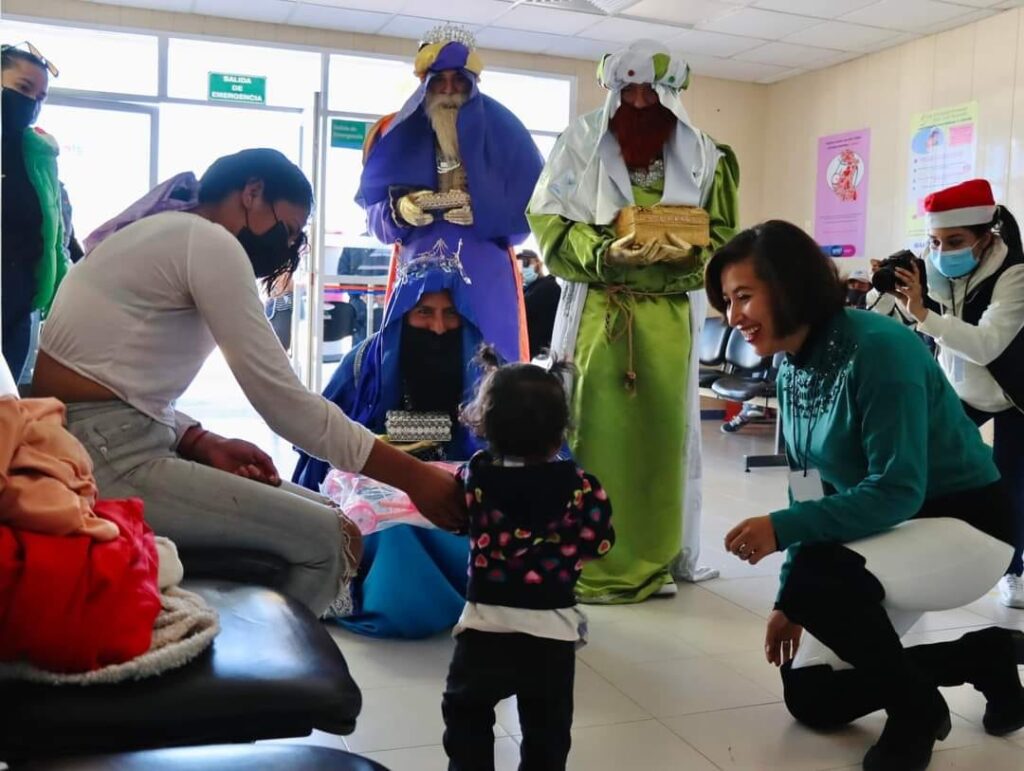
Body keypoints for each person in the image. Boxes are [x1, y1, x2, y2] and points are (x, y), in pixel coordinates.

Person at [30, 148, 464, 619]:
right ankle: (264, 676)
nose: (290, 246)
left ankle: (262, 658)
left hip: (96, 440)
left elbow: (108, 376)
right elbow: (282, 402)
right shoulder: (208, 241)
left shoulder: (165, 231)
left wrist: (198, 438)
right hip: (101, 455)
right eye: (289, 229)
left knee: (335, 519)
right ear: (252, 193)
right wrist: (414, 477)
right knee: (330, 540)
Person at [707, 219, 1021, 771]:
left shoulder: (879, 349)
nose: (733, 318)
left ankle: (916, 713)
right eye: (728, 302)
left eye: (743, 297)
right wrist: (789, 597)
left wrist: (783, 535)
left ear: (789, 286)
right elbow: (806, 488)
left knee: (823, 580)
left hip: (966, 530)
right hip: (888, 537)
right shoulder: (791, 366)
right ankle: (985, 656)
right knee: (811, 696)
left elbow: (898, 489)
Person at [527, 40, 739, 600]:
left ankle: (652, 562)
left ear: (672, 95)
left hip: (668, 320)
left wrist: (683, 258)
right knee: (595, 436)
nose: (641, 101)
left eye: (652, 90)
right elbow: (548, 223)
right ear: (613, 91)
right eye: (629, 90)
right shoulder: (578, 146)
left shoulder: (708, 157)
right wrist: (605, 254)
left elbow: (721, 238)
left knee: (662, 442)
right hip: (602, 313)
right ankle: (588, 558)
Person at [443, 348, 614, 771]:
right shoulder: (583, 488)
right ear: (561, 432)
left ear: (485, 428)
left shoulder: (474, 476)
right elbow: (600, 543)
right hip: (551, 635)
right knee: (547, 732)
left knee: (466, 716)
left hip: (485, 628)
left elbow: (459, 522)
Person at [292, 262, 485, 638]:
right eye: (424, 313)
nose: (439, 327)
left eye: (450, 314)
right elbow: (320, 432)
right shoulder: (364, 363)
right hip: (377, 478)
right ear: (401, 313)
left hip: (464, 479)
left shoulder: (486, 363)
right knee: (393, 529)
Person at [355, 23, 543, 366]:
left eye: (459, 80)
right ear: (424, 83)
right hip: (418, 271)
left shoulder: (507, 132)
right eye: (439, 80)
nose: (449, 89)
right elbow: (375, 221)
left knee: (489, 364)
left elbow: (528, 218)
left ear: (473, 82)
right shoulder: (391, 133)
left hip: (485, 271)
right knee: (416, 365)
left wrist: (486, 212)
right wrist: (399, 210)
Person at [889, 179, 1024, 609]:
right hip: (959, 387)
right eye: (935, 241)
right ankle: (919, 560)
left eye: (955, 241)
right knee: (923, 468)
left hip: (1014, 391)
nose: (943, 251)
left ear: (986, 238)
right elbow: (910, 320)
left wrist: (925, 314)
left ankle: (1015, 571)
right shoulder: (933, 264)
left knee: (1012, 483)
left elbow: (987, 344)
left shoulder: (1016, 273)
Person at [1, 42, 80, 383]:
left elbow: (57, 228)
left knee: (6, 410)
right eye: (22, 88)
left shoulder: (38, 154)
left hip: (18, 303)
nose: (32, 102)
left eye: (41, 96)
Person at [518, 249, 561, 360]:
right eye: (518, 266)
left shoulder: (548, 286)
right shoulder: (526, 291)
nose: (522, 269)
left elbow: (521, 310)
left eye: (526, 263)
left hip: (546, 355)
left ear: (538, 263)